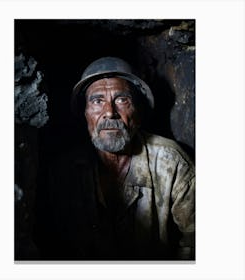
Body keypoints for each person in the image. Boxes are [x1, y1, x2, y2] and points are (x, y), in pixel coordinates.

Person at [40, 57, 195, 261]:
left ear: (137, 112)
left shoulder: (170, 162)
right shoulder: (64, 171)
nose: (110, 113)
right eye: (97, 101)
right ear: (84, 114)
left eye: (122, 100)